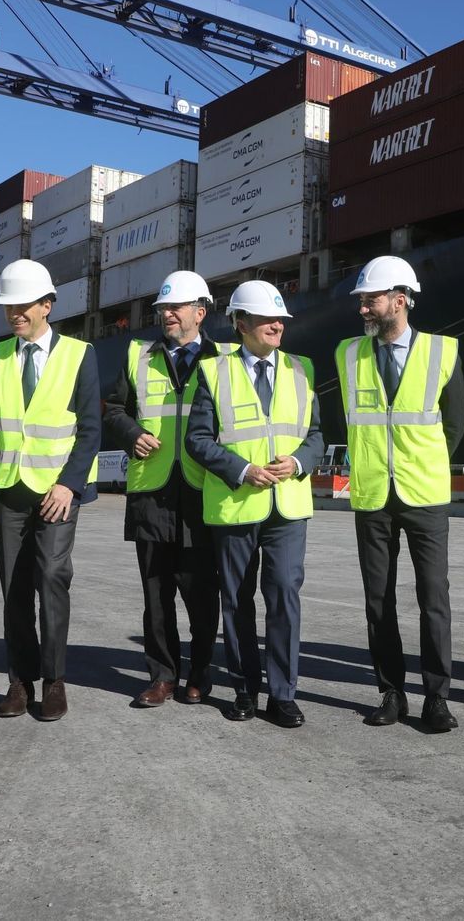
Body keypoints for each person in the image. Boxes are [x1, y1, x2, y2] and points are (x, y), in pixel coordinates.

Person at [0, 259, 100, 722]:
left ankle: (55, 681)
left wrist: (69, 485)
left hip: (57, 492)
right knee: (14, 589)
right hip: (9, 491)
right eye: (8, 306)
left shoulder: (80, 354)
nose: (14, 313)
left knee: (52, 577)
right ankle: (20, 680)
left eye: (22, 305)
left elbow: (90, 430)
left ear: (46, 305)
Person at [185, 280, 324, 728]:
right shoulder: (213, 372)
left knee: (283, 595)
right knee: (236, 601)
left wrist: (298, 462)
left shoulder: (302, 369)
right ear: (240, 323)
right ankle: (245, 688)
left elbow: (316, 436)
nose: (277, 325)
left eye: (280, 319)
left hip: (288, 506)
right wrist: (243, 470)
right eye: (267, 319)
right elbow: (197, 440)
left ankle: (283, 694)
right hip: (236, 505)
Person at [335, 255, 464, 732]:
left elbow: (455, 423)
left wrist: (420, 464)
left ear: (400, 299)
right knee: (378, 600)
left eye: (370, 300)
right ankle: (392, 692)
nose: (362, 309)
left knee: (434, 597)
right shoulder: (347, 353)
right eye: (361, 300)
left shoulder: (442, 351)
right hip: (372, 493)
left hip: (425, 494)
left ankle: (437, 698)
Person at [104, 270, 233, 708]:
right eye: (163, 309)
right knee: (156, 594)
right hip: (152, 492)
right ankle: (162, 677)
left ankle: (200, 672)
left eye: (176, 307)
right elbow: (114, 409)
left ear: (201, 312)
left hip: (203, 490)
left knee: (202, 593)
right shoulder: (138, 355)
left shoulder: (225, 358)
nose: (167, 315)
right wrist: (132, 433)